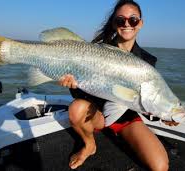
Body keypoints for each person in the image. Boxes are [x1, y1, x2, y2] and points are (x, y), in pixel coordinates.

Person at [59, 0, 177, 170]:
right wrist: (72, 85)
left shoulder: (147, 62)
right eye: (121, 20)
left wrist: (164, 115)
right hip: (98, 114)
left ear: (140, 24)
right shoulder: (95, 51)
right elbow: (84, 89)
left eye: (133, 20)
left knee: (160, 167)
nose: (127, 24)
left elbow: (148, 101)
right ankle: (89, 145)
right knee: (76, 108)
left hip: (127, 119)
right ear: (114, 24)